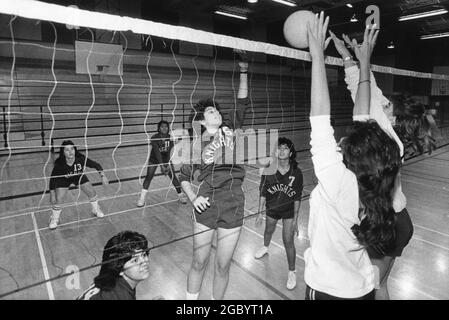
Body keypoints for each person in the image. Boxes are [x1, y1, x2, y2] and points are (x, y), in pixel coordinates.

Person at [304, 13, 402, 300]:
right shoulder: (375, 183)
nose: (347, 135)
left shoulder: (339, 182)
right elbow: (361, 117)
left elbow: (320, 119)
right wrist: (363, 62)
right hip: (362, 288)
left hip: (327, 291)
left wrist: (317, 58)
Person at [330, 28, 414, 300]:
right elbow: (371, 92)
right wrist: (349, 57)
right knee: (380, 285)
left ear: (394, 119)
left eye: (388, 105)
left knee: (369, 287)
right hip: (397, 221)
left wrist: (359, 60)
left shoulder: (385, 138)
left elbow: (366, 100)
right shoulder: (386, 138)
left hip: (387, 223)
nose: (383, 102)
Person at [178, 51, 249, 300]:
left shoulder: (233, 131)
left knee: (222, 266)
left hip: (233, 203)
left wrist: (243, 71)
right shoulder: (195, 142)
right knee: (199, 262)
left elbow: (242, 102)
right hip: (206, 203)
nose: (216, 112)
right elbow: (183, 176)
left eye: (216, 110)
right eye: (210, 111)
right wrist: (192, 197)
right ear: (200, 119)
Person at [254, 137, 303, 290]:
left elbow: (297, 197)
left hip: (288, 211)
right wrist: (259, 212)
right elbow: (262, 191)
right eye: (279, 148)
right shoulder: (269, 169)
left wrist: (295, 218)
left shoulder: (297, 172)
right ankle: (265, 246)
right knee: (268, 230)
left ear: (290, 152)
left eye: (285, 148)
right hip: (272, 208)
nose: (282, 150)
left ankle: (292, 271)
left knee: (288, 240)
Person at [49, 140, 109, 229]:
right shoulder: (59, 164)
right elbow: (53, 179)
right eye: (67, 150)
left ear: (75, 150)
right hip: (64, 180)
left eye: (72, 149)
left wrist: (103, 176)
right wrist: (52, 195)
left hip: (78, 177)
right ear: (63, 152)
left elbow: (96, 165)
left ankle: (96, 209)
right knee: (58, 198)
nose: (70, 152)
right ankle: (54, 218)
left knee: (91, 192)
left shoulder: (80, 158)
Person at [77, 230, 151, 300]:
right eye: (135, 260)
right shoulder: (119, 294)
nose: (144, 261)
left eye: (144, 255)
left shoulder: (115, 283)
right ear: (120, 269)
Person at [137, 120, 187, 207]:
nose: (164, 128)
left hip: (166, 159)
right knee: (149, 176)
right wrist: (162, 166)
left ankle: (180, 195)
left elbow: (169, 152)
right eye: (162, 127)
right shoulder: (154, 138)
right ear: (159, 128)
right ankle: (142, 198)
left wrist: (167, 164)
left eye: (166, 127)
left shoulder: (170, 137)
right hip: (154, 159)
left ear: (168, 128)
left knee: (173, 177)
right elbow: (157, 152)